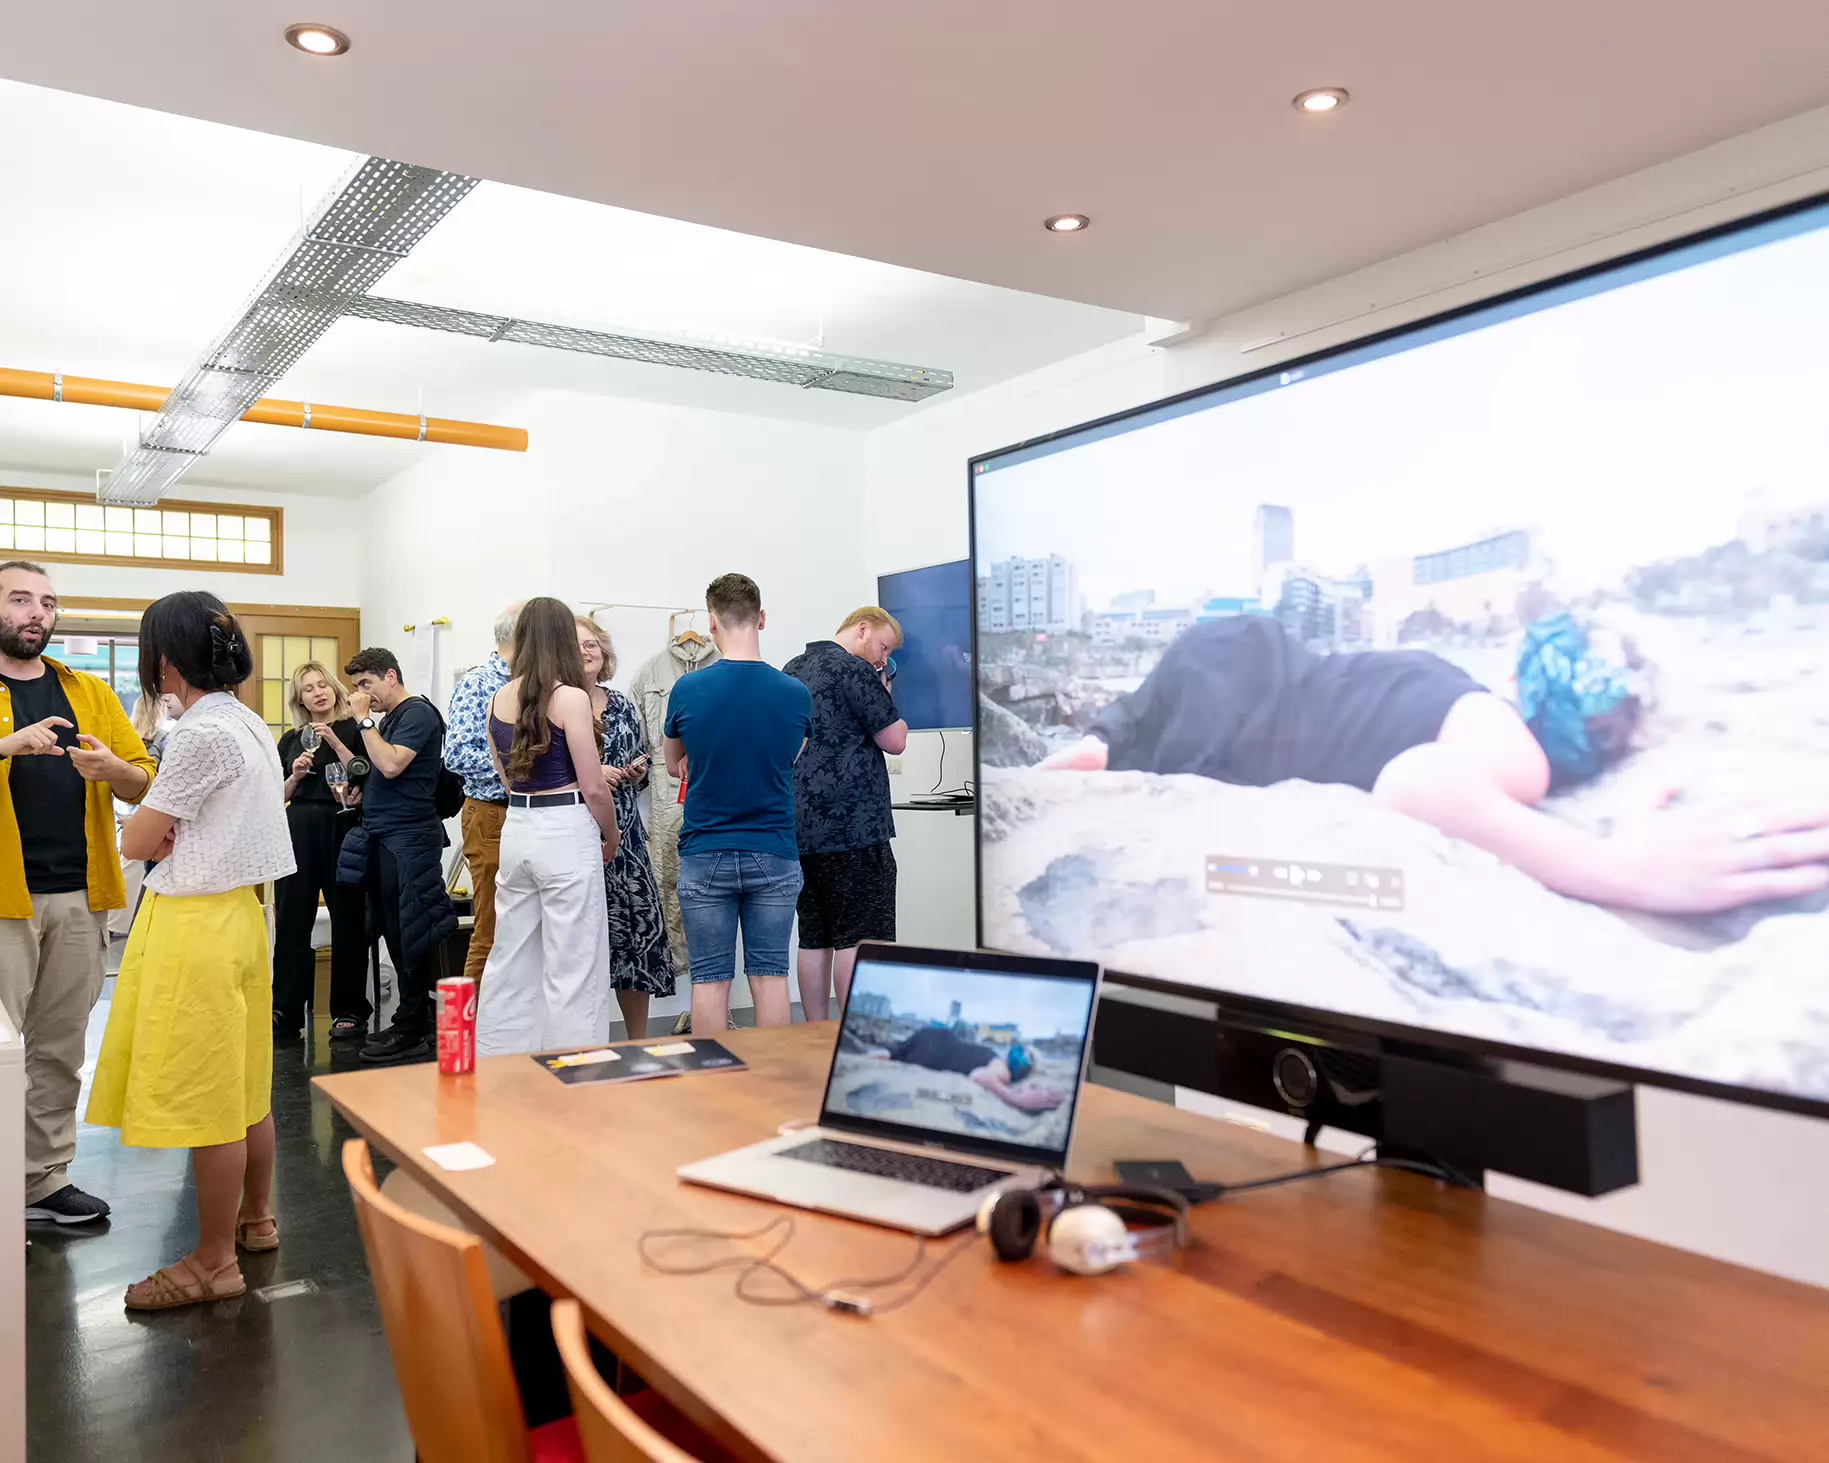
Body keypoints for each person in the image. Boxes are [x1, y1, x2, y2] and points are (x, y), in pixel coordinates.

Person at [1043, 613, 1829, 915]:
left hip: (1239, 657)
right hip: (1250, 706)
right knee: (1164, 755)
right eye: (1625, 734)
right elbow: (1415, 783)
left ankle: (1096, 747)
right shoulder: (1517, 754)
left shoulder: (1470, 698)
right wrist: (1612, 865)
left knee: (1125, 741)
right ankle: (1100, 749)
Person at [86, 592, 295, 1308]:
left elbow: (137, 842)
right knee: (244, 1089)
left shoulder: (199, 733)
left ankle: (212, 1261)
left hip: (193, 925)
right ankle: (256, 1218)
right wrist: (158, 817)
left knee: (209, 1098)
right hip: (239, 915)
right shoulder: (246, 722)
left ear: (164, 662)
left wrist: (145, 823)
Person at [0, 560, 157, 1227]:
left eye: (48, 602)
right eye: (19, 598)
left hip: (81, 891)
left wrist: (112, 767)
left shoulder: (88, 689)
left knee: (60, 1046)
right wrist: (9, 743)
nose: (37, 612)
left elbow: (142, 779)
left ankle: (41, 1178)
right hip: (5, 898)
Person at [663, 574, 811, 1034]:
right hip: (774, 849)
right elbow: (790, 758)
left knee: (710, 980)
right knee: (771, 976)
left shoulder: (688, 689)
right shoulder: (794, 693)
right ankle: (771, 1087)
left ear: (711, 624)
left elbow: (673, 765)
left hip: (706, 852)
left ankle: (712, 1093)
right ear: (761, 618)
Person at [474, 598, 621, 1056]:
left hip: (518, 824)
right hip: (564, 827)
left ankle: (500, 1062)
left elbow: (504, 775)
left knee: (511, 955)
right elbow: (595, 786)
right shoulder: (570, 698)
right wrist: (611, 835)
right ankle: (577, 1065)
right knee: (573, 960)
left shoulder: (498, 697)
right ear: (562, 638)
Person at [784, 608, 908, 1021]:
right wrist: (884, 690)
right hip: (855, 829)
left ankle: (816, 1033)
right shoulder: (855, 670)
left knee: (814, 937)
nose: (881, 659)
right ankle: (855, 1034)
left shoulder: (792, 668)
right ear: (862, 629)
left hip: (800, 827)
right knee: (860, 938)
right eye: (882, 647)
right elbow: (895, 740)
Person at [337, 647, 457, 1065]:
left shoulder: (419, 714)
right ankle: (412, 1020)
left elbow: (390, 765)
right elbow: (380, 775)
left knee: (411, 929)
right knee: (392, 927)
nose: (361, 695)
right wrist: (359, 792)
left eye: (366, 685)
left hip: (410, 837)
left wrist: (363, 720)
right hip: (385, 834)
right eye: (356, 688)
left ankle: (414, 1027)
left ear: (391, 676)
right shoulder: (391, 719)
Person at [577, 616, 673, 1040]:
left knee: (634, 941)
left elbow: (646, 762)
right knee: (582, 946)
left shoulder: (622, 705)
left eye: (593, 643)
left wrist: (636, 772)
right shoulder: (554, 704)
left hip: (628, 840)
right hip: (578, 835)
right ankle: (585, 1041)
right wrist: (594, 773)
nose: (587, 651)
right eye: (577, 644)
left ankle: (638, 1043)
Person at [272, 662, 370, 1042]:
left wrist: (336, 746)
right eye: (308, 688)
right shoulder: (290, 740)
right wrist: (294, 776)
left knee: (348, 918)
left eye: (322, 685)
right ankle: (286, 1008)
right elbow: (275, 798)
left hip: (342, 825)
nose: (318, 692)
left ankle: (349, 1010)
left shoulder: (353, 731)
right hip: (298, 828)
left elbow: (366, 777)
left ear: (333, 689)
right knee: (294, 918)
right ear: (301, 699)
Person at [445, 603, 519, 985]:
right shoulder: (480, 683)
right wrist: (521, 774)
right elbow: (457, 754)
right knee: (491, 931)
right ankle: (469, 1039)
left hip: (526, 815)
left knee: (521, 936)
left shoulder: (534, 684)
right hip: (492, 812)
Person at [872, 1026, 1066, 1113]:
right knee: (900, 1056)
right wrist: (1012, 1097)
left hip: (936, 1037)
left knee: (895, 1053)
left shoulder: (994, 1057)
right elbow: (978, 1076)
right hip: (937, 1052)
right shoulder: (1003, 1072)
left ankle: (884, 1053)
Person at [112, 689, 180, 936]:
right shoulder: (166, 739)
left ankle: (124, 923)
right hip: (159, 815)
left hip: (131, 810)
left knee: (130, 864)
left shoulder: (128, 739)